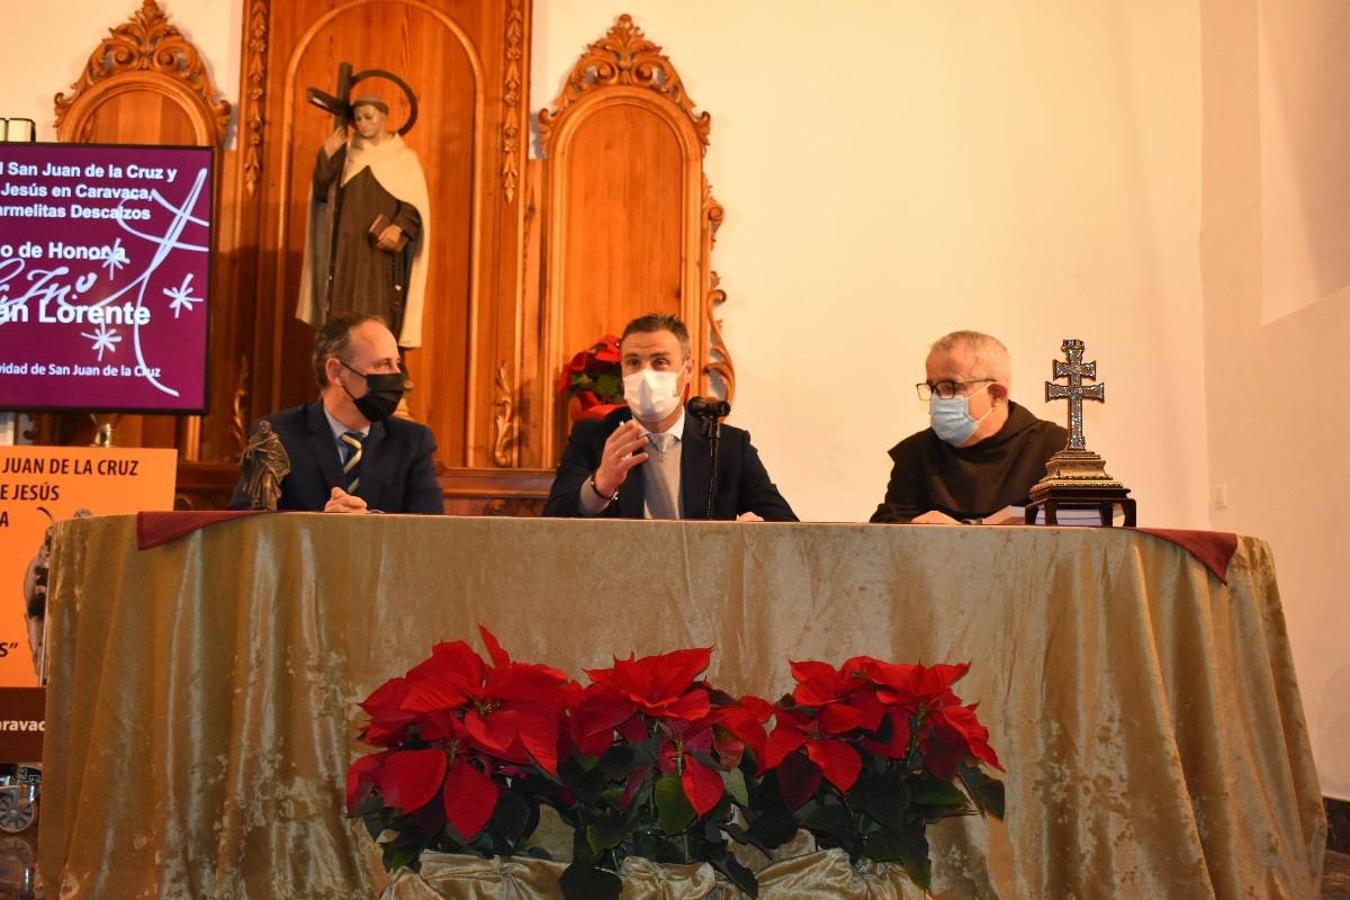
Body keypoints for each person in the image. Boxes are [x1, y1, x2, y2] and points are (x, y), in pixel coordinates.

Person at [544, 313, 797, 522]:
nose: (645, 374)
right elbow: (551, 525)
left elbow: (788, 529)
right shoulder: (595, 438)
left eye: (660, 362)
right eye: (633, 362)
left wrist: (759, 530)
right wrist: (599, 487)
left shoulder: (727, 445)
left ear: (687, 370)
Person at [229, 313, 442, 514]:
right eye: (383, 364)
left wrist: (370, 521)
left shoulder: (413, 442)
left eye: (397, 364)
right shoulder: (276, 436)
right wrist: (323, 527)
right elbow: (247, 525)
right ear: (336, 372)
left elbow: (430, 532)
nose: (397, 376)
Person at [870, 330, 1067, 524]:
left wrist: (961, 534)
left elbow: (1078, 529)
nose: (937, 399)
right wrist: (918, 528)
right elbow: (886, 531)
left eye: (950, 387)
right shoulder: (916, 453)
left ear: (996, 393)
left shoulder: (1053, 448)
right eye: (932, 388)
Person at [297, 95, 432, 349]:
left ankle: (382, 363)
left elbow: (415, 207)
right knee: (343, 313)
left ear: (383, 117)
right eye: (357, 118)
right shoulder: (346, 154)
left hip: (380, 256)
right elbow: (323, 193)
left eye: (368, 117)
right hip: (346, 251)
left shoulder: (404, 158)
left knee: (380, 309)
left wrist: (398, 226)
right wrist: (326, 155)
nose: (362, 123)